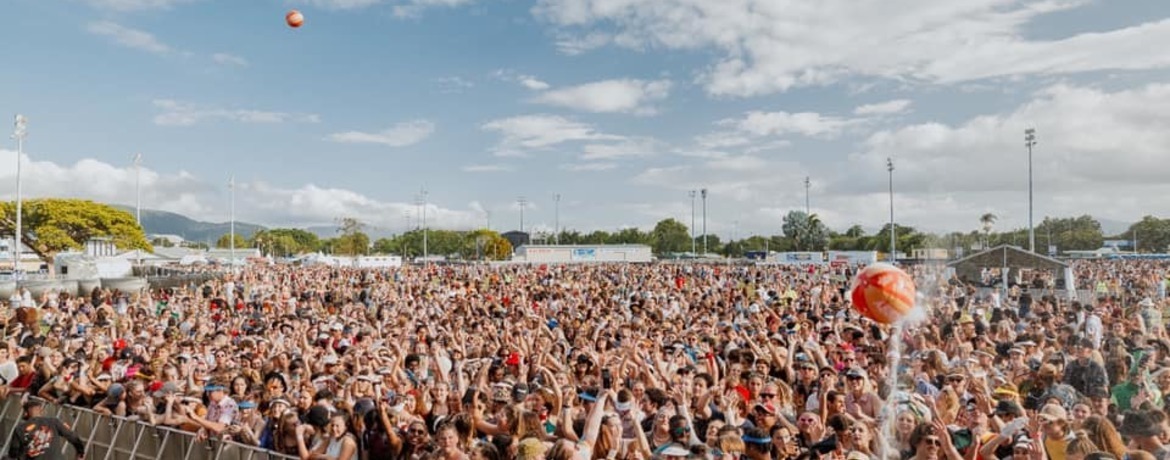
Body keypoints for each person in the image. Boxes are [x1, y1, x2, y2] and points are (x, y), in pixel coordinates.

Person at [6, 399, 86, 460]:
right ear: (41, 411)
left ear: (26, 413)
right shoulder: (54, 421)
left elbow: (14, 451)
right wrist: (80, 452)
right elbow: (72, 436)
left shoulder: (20, 428)